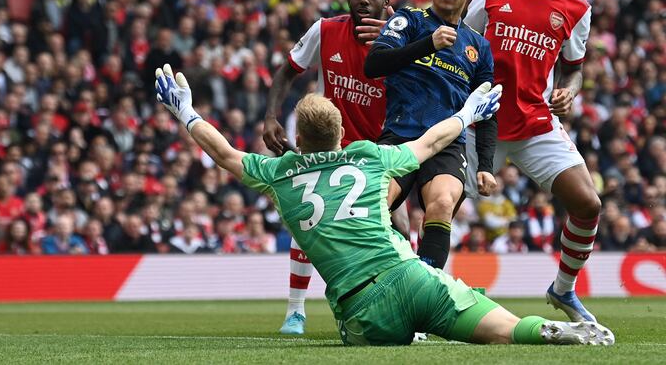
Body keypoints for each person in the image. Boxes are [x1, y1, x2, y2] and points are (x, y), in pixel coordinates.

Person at [154, 64, 614, 346]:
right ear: (341, 137)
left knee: (368, 336)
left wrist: (187, 112)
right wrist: (469, 111)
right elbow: (431, 141)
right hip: (413, 276)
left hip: (364, 311)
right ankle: (542, 331)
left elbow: (224, 154)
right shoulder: (371, 157)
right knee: (503, 330)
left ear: (298, 140)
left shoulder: (279, 173)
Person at [464, 0, 601, 323]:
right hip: (482, 120)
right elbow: (463, 40)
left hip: (535, 124)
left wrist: (570, 91)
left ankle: (562, 290)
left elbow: (574, 68)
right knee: (440, 205)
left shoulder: (577, 8)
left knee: (588, 203)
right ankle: (421, 296)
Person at [262, 0, 394, 334]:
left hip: (374, 149)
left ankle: (405, 304)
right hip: (325, 145)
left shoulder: (399, 38)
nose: (364, 0)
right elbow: (288, 70)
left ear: (388, 1)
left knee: (396, 225)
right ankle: (295, 310)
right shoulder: (324, 30)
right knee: (308, 216)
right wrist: (271, 116)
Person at [363, 0, 497, 271]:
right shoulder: (408, 21)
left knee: (442, 202)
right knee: (375, 203)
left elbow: (487, 108)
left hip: (448, 142)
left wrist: (487, 165)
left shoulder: (478, 46)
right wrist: (428, 44)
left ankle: (427, 291)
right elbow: (374, 64)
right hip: (401, 134)